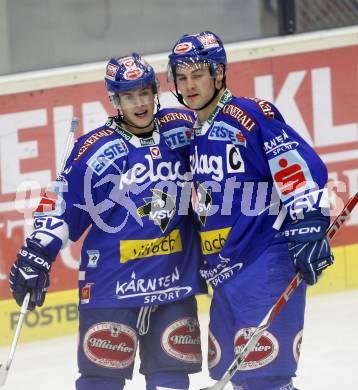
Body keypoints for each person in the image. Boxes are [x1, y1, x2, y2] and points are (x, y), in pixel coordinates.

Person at [9, 53, 207, 390]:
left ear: (155, 91)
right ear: (115, 100)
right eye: (129, 96)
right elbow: (61, 205)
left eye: (144, 93)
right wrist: (36, 253)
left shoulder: (182, 128)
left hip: (173, 283)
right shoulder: (96, 149)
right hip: (112, 286)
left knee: (171, 379)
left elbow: (226, 161)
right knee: (102, 381)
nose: (140, 103)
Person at [168, 31, 334, 390]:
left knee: (266, 377)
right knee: (239, 375)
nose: (189, 85)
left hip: (264, 261)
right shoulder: (196, 131)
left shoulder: (249, 114)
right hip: (226, 270)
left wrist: (307, 222)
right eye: (181, 77)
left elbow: (296, 167)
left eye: (197, 75)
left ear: (219, 73)